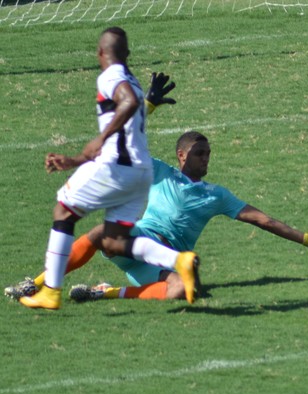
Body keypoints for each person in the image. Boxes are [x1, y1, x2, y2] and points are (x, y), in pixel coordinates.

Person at [6, 131, 308, 302]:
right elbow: (124, 143)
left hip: (167, 260)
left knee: (182, 291)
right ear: (181, 155)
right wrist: (147, 105)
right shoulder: (160, 172)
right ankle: (38, 284)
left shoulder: (217, 195)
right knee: (99, 232)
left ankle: (102, 293)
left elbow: (263, 221)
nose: (206, 159)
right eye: (199, 153)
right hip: (138, 241)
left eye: (209, 153)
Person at [18, 27, 199, 310]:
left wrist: (99, 140)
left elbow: (127, 103)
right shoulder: (134, 81)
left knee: (63, 211)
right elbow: (131, 114)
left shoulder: (111, 76)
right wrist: (78, 160)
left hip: (117, 168)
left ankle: (50, 291)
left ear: (100, 53)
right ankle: (178, 260)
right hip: (141, 173)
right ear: (127, 53)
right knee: (115, 241)